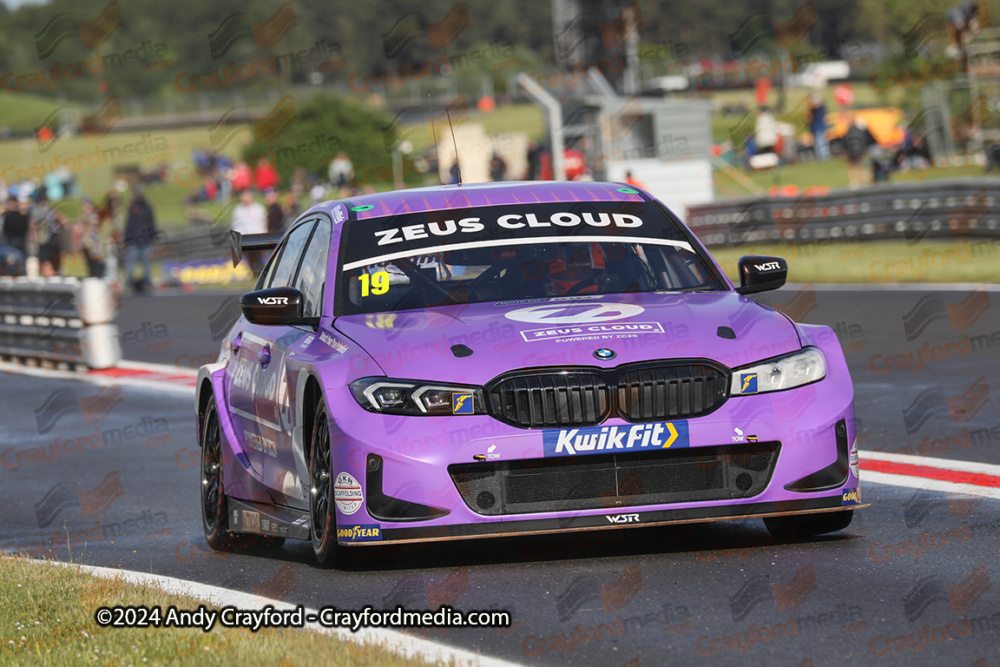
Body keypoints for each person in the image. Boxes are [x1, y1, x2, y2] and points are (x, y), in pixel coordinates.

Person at [123, 186, 158, 293]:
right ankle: (131, 283)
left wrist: (153, 237)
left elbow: (152, 223)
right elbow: (129, 225)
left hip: (143, 239)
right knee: (132, 263)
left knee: (145, 263)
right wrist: (126, 240)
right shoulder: (136, 207)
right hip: (136, 240)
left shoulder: (144, 207)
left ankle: (145, 283)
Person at [32, 189, 68, 276]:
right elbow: (64, 222)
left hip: (46, 242)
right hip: (51, 241)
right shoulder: (51, 210)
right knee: (53, 264)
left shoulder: (37, 211)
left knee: (46, 262)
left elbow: (33, 226)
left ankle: (51, 276)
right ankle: (55, 276)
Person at [232, 190, 267, 273]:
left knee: (259, 255)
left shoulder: (258, 208)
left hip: (257, 235)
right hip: (245, 237)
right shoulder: (238, 210)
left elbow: (263, 222)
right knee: (250, 256)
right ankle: (254, 271)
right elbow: (236, 225)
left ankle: (261, 270)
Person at [78, 198, 105, 277]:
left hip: (93, 243)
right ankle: (93, 276)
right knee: (89, 264)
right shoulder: (83, 216)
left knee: (96, 262)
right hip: (86, 243)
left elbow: (94, 226)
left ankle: (98, 277)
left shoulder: (93, 215)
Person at [807, 95, 829, 161]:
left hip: (820, 129)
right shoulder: (813, 110)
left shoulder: (820, 108)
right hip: (816, 130)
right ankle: (821, 158)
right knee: (818, 144)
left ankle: (824, 158)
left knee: (821, 144)